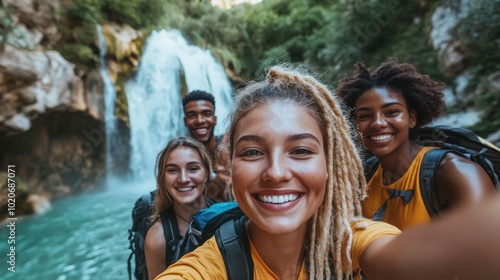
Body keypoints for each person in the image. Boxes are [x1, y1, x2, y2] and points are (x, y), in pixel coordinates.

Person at [156, 65, 402, 280]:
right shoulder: (206, 266)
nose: (276, 173)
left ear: (330, 164)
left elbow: (406, 262)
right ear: (230, 166)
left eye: (301, 150)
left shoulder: (353, 242)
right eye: (252, 152)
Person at [336, 61, 496, 230]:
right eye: (364, 116)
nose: (378, 123)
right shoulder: (365, 178)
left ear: (411, 118)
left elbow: (488, 247)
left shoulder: (455, 173)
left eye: (391, 112)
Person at [144, 137, 216, 280]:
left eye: (193, 168)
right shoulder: (158, 238)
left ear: (206, 174)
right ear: (163, 179)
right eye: (172, 170)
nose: (183, 179)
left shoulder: (224, 215)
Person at [182, 90, 232, 201]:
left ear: (215, 119)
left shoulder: (230, 145)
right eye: (192, 116)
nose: (200, 121)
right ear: (185, 121)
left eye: (207, 114)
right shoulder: (181, 157)